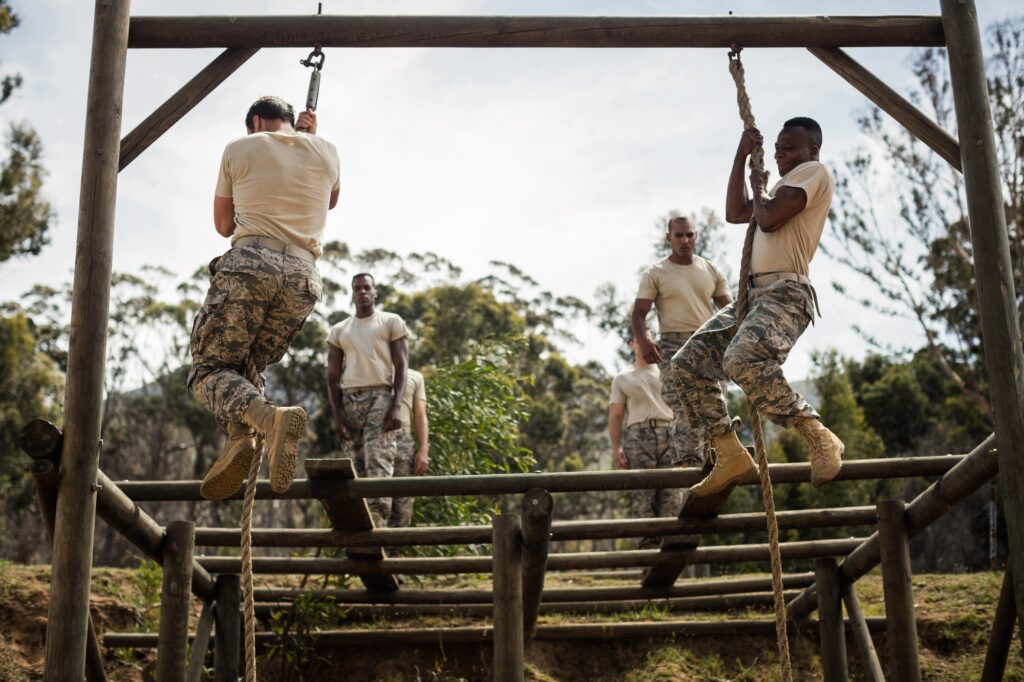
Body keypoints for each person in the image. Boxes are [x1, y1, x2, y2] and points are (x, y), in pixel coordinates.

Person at [673, 117, 844, 497]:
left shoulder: (813, 173)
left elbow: (765, 220)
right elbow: (736, 213)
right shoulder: (782, 187)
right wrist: (740, 159)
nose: (782, 154)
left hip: (786, 293)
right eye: (779, 148)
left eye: (790, 148)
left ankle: (818, 435)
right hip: (752, 298)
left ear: (811, 151)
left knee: (742, 360)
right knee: (687, 363)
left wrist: (759, 183)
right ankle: (729, 452)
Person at [189, 96, 340, 501]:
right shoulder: (327, 151)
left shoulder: (241, 147)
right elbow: (330, 198)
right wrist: (311, 138)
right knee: (244, 367)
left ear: (256, 121)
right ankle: (241, 438)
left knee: (207, 371)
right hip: (303, 278)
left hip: (252, 263)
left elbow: (223, 226)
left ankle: (269, 420)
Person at [630, 215, 732, 467]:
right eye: (679, 235)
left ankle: (717, 458)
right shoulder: (656, 273)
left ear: (696, 236)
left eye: (689, 235)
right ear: (669, 238)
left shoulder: (710, 270)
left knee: (717, 402)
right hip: (673, 344)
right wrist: (644, 341)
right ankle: (688, 458)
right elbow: (639, 314)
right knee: (683, 400)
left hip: (708, 341)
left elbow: (730, 310)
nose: (685, 240)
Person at [326, 273, 409, 525]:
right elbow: (332, 375)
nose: (362, 292)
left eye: (366, 288)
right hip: (350, 399)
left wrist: (396, 406)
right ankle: (359, 521)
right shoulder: (340, 330)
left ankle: (378, 517)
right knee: (355, 460)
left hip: (381, 396)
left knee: (379, 455)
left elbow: (402, 365)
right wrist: (337, 416)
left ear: (375, 292)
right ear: (352, 294)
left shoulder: (391, 322)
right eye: (357, 288)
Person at [610, 329, 681, 548]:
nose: (646, 343)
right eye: (641, 339)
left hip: (670, 433)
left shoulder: (667, 372)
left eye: (650, 339)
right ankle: (647, 559)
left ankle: (668, 554)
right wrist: (616, 448)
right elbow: (616, 415)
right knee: (643, 497)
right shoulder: (623, 378)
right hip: (638, 437)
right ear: (633, 344)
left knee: (672, 497)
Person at [387, 367, 430, 530]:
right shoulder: (371, 373)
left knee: (402, 503)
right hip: (373, 437)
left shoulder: (415, 376)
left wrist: (424, 450)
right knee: (373, 500)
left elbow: (420, 415)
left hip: (402, 439)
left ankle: (395, 553)